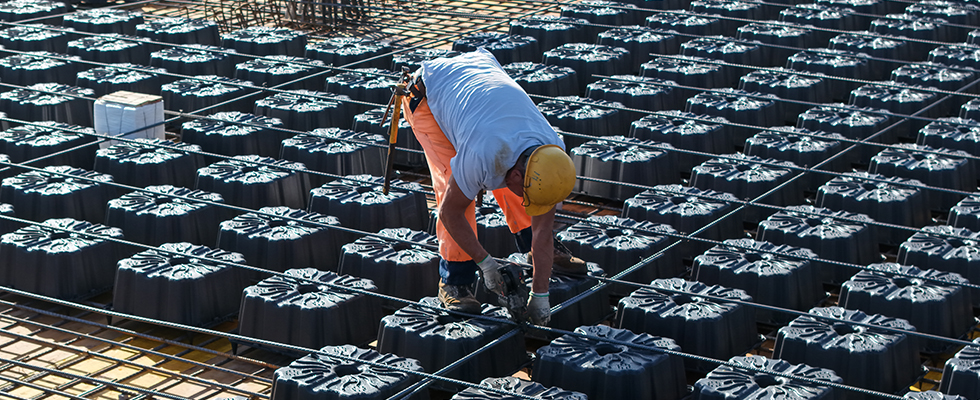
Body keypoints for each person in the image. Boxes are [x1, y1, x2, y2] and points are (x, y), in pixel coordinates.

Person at [400, 48, 586, 326]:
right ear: (516, 173)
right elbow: (450, 212)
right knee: (452, 184)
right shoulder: (482, 155)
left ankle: (532, 248)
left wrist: (540, 294)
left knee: (523, 189)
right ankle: (454, 279)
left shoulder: (551, 154)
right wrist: (485, 263)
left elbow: (543, 224)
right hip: (428, 95)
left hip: (481, 89)